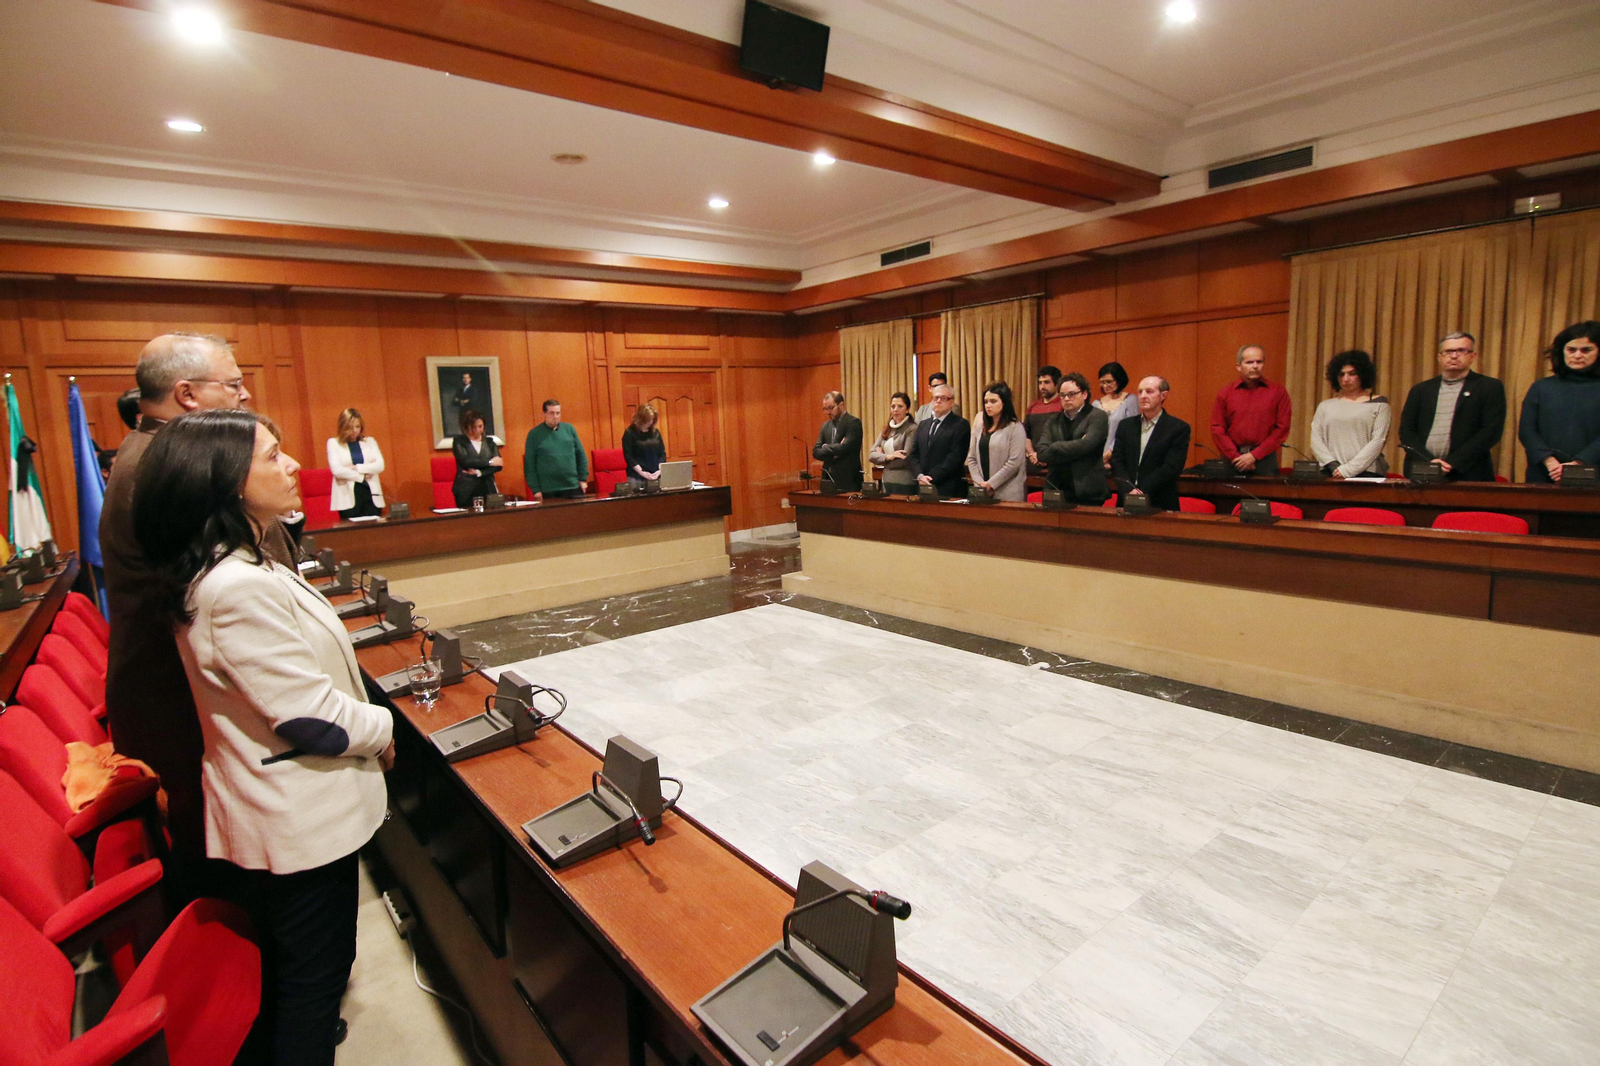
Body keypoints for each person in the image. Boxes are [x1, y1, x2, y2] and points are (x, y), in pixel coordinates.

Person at [132, 408, 394, 1066]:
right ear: (225, 483)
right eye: (272, 457)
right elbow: (308, 717)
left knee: (299, 976)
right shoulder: (235, 588)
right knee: (311, 988)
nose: (291, 467)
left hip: (290, 808)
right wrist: (385, 730)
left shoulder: (243, 564)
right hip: (296, 819)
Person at [101, 331, 291, 906]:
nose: (243, 394)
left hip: (179, 692)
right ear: (186, 393)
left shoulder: (152, 450)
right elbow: (228, 589)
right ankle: (249, 979)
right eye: (232, 384)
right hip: (180, 700)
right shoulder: (166, 464)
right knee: (227, 873)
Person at [1398, 331, 1506, 482]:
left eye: (1461, 351)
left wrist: (1453, 462)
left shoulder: (1489, 386)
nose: (1454, 356)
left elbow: (1491, 431)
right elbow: (1407, 430)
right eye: (1448, 351)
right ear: (1439, 357)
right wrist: (1429, 462)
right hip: (1422, 471)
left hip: (1469, 472)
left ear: (1473, 356)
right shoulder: (1421, 390)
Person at [1519, 320, 1600, 483]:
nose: (1577, 355)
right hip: (1545, 473)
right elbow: (1527, 430)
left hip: (1594, 474)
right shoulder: (1541, 387)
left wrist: (1577, 463)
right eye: (1571, 350)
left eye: (1586, 350)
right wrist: (1550, 462)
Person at [1110, 376, 1191, 510]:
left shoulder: (1178, 428)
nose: (1143, 396)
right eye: (1140, 392)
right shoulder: (1126, 426)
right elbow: (1117, 461)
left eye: (1149, 391)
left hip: (1160, 501)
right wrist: (1129, 489)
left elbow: (1172, 467)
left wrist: (1140, 490)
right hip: (1126, 500)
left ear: (1163, 396)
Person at [1210, 344, 1292, 475]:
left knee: (1265, 496)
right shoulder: (1225, 393)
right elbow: (1217, 428)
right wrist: (1235, 456)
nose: (1255, 366)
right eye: (1249, 362)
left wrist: (1254, 456)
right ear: (1239, 366)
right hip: (1232, 459)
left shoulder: (1278, 392)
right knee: (1227, 495)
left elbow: (1282, 428)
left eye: (1259, 362)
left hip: (1264, 459)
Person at [1311, 350, 1391, 479]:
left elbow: (1377, 441)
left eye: (1352, 374)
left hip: (1367, 473)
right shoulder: (1325, 406)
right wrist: (1332, 465)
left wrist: (1349, 470)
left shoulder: (1379, 405)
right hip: (1330, 471)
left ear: (1363, 375)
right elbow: (1316, 440)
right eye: (1341, 374)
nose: (1346, 379)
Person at [1035, 372, 1110, 505]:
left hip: (1088, 491)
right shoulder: (1053, 420)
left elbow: (1087, 446)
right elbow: (1041, 453)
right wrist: (1078, 449)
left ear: (1084, 394)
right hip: (1056, 488)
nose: (1067, 399)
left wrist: (1055, 446)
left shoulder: (1097, 416)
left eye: (1072, 394)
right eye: (1063, 395)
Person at [966, 381, 1028, 500]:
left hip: (1007, 493)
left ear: (1004, 402)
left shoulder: (1015, 427)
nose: (988, 405)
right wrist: (980, 484)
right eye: (986, 402)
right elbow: (972, 458)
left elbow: (1014, 463)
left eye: (993, 401)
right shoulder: (980, 428)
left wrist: (990, 484)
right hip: (981, 492)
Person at [908, 383, 971, 497]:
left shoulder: (960, 425)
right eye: (935, 398)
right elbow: (913, 455)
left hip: (948, 488)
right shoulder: (923, 424)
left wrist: (931, 477)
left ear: (952, 403)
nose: (938, 401)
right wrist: (920, 476)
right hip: (923, 486)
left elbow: (955, 458)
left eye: (943, 398)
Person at [325, 407, 385, 520]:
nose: (355, 431)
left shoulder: (370, 442)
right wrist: (362, 475)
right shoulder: (333, 443)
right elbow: (337, 470)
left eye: (357, 426)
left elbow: (380, 465)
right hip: (347, 496)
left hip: (370, 493)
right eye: (350, 427)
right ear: (343, 427)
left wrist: (356, 468)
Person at [525, 399, 589, 501]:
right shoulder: (534, 434)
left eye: (558, 413)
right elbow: (529, 464)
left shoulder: (569, 429)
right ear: (544, 414)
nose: (555, 417)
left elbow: (581, 456)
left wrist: (583, 479)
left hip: (572, 486)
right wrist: (535, 489)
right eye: (551, 413)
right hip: (548, 489)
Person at [812, 391, 864, 491]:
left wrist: (826, 447)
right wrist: (836, 451)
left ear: (841, 405)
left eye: (831, 408)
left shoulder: (853, 423)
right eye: (825, 409)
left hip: (848, 480)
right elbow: (816, 452)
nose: (828, 412)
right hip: (827, 479)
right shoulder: (825, 426)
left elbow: (845, 447)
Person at [867, 391, 918, 494]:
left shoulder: (912, 428)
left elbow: (904, 459)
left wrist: (881, 458)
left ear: (907, 409)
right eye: (893, 406)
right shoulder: (887, 429)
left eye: (900, 406)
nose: (895, 410)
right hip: (886, 480)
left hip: (904, 481)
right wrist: (888, 457)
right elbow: (871, 455)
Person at [451, 408, 502, 508]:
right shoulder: (459, 442)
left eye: (480, 426)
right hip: (466, 489)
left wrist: (480, 472)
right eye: (474, 427)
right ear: (467, 427)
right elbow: (466, 461)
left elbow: (498, 465)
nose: (478, 430)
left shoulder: (489, 442)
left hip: (487, 486)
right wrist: (490, 462)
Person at [1095, 361, 1138, 467]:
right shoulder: (1096, 403)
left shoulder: (1130, 400)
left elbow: (1131, 430)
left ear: (1119, 380)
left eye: (1109, 382)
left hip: (1121, 455)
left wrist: (1110, 452)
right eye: (1102, 382)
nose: (1105, 386)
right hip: (1097, 457)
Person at [1023, 366, 1063, 467]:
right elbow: (1025, 434)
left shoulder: (1063, 404)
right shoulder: (1033, 406)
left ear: (1057, 383)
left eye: (1046, 382)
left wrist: (1044, 456)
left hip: (1056, 461)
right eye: (1040, 383)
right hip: (1033, 461)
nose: (1042, 386)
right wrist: (1032, 454)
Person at [622, 404, 665, 486]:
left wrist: (659, 470)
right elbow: (629, 456)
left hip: (656, 475)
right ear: (641, 418)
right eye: (648, 420)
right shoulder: (630, 433)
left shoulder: (655, 433)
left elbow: (662, 453)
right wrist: (642, 473)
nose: (650, 422)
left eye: (652, 419)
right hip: (637, 477)